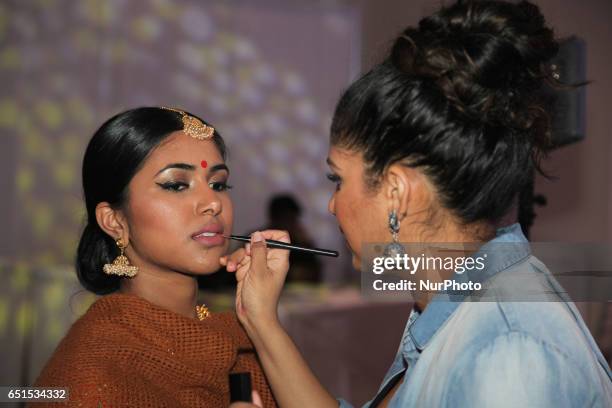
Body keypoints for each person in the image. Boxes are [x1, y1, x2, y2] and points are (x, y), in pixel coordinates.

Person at [222, 1, 612, 407]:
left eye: (337, 180)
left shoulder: (506, 358)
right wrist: (261, 319)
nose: (332, 206)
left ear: (396, 190)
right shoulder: (453, 295)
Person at [33, 107, 276, 407]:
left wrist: (263, 320)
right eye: (176, 185)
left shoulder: (235, 338)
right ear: (114, 221)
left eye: (218, 184)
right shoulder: (92, 371)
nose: (213, 202)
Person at [260, 194, 322, 283]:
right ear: (274, 219)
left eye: (293, 219)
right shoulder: (258, 240)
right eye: (286, 218)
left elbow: (316, 274)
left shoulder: (300, 241)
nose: (290, 223)